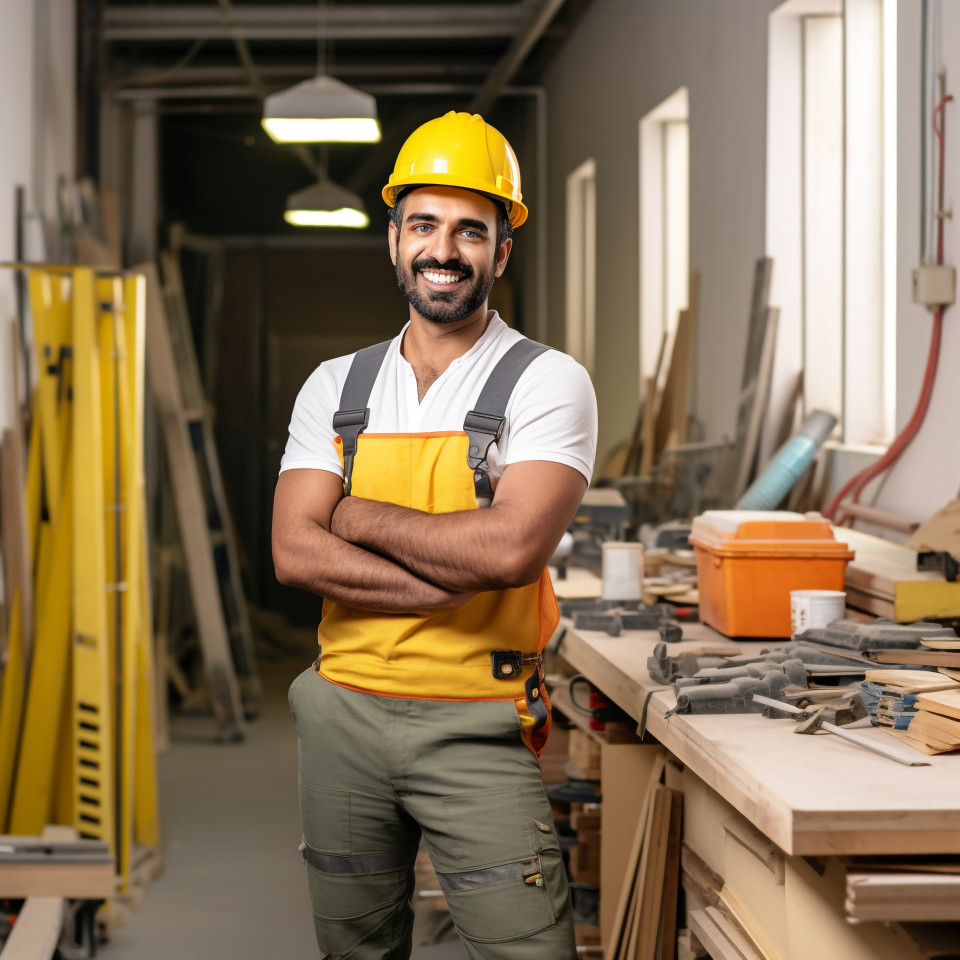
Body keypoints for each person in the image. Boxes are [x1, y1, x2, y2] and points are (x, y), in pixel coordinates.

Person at [273, 110, 598, 960]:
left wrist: (351, 514)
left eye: (469, 229)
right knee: (356, 951)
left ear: (501, 248)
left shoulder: (546, 381)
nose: (443, 249)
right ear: (393, 240)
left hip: (480, 721)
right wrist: (443, 578)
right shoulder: (336, 386)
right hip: (342, 714)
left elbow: (509, 552)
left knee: (529, 949)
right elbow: (291, 551)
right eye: (423, 225)